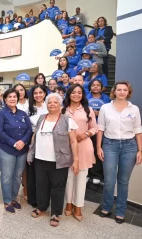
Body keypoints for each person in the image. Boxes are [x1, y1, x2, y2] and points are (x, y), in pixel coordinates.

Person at [28, 93, 79, 227]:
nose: (52, 104)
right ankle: (41, 207)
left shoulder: (68, 120)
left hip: (59, 160)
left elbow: (73, 142)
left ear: (60, 104)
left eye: (55, 102)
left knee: (58, 187)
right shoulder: (40, 119)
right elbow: (34, 136)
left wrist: (76, 160)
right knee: (41, 185)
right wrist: (31, 153)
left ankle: (56, 213)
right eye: (49, 102)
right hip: (40, 158)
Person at [96, 81, 142, 224]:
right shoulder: (105, 108)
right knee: (109, 181)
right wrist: (99, 146)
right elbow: (100, 128)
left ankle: (121, 211)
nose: (122, 92)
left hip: (130, 146)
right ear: (114, 91)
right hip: (110, 145)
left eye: (125, 90)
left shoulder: (134, 109)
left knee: (123, 181)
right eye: (119, 89)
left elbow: (138, 130)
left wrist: (140, 150)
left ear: (128, 92)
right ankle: (107, 207)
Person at [61, 84, 97, 221]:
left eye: (79, 93)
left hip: (84, 146)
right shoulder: (63, 110)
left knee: (81, 178)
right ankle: (69, 204)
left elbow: (95, 128)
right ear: (69, 94)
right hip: (67, 147)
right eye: (74, 92)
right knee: (69, 177)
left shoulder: (88, 110)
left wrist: (86, 134)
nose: (76, 95)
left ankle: (78, 206)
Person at [0, 89, 32, 214]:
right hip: (6, 149)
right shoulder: (1, 113)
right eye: (9, 97)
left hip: (22, 150)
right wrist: (14, 143)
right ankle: (6, 201)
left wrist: (23, 142)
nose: (12, 98)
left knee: (17, 177)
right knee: (6, 177)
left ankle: (14, 198)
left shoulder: (22, 114)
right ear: (5, 99)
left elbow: (29, 130)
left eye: (14, 96)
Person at [87, 79, 111, 184]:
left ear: (101, 87)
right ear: (90, 87)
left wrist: (100, 113)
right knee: (88, 151)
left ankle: (97, 174)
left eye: (98, 85)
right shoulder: (85, 98)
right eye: (93, 85)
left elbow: (111, 114)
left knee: (98, 152)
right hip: (88, 129)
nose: (95, 87)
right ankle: (88, 173)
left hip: (101, 130)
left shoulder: (107, 99)